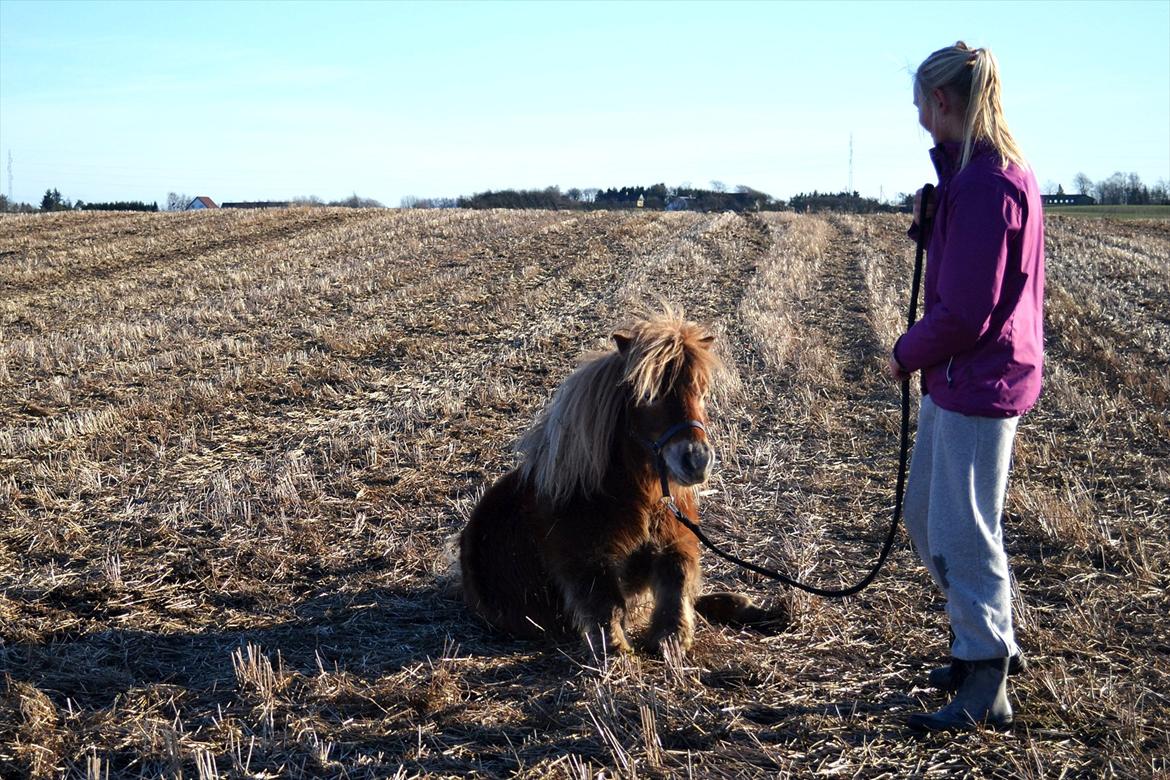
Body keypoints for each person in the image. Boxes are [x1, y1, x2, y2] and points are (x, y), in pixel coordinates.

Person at [888, 41, 1045, 732]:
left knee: (964, 530)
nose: (918, 116)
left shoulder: (988, 184)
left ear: (942, 102)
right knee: (928, 520)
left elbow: (968, 310)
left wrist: (904, 352)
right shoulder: (974, 178)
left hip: (979, 379)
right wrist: (937, 216)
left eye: (921, 103)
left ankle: (986, 677)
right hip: (962, 378)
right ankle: (980, 640)